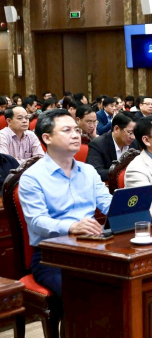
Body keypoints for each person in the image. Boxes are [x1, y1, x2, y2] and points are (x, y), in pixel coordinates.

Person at [19, 109, 117, 298]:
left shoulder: (88, 171)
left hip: (92, 247)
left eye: (76, 130)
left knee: (122, 286)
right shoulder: (32, 177)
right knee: (83, 296)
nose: (75, 135)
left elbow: (107, 203)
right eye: (67, 130)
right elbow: (37, 221)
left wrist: (134, 210)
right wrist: (72, 227)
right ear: (47, 138)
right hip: (52, 256)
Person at [86, 112, 140, 181]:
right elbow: (96, 172)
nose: (133, 137)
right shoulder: (98, 144)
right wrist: (123, 173)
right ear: (116, 129)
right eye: (130, 133)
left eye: (135, 133)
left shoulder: (135, 142)